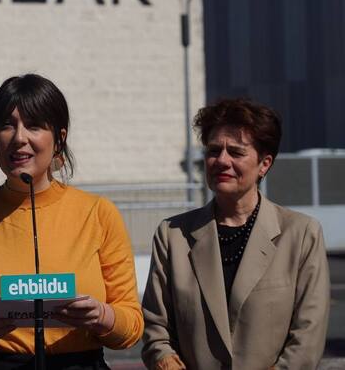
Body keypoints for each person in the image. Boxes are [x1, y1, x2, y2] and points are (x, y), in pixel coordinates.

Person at [0, 74, 143, 369]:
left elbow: (131, 327)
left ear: (59, 138)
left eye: (34, 125)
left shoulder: (99, 214)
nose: (19, 137)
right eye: (6, 125)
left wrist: (102, 316)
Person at [141, 98, 330, 370]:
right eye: (214, 150)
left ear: (264, 164)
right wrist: (164, 360)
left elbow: (307, 335)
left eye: (236, 152)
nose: (222, 161)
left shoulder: (301, 234)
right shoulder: (173, 235)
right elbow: (156, 328)